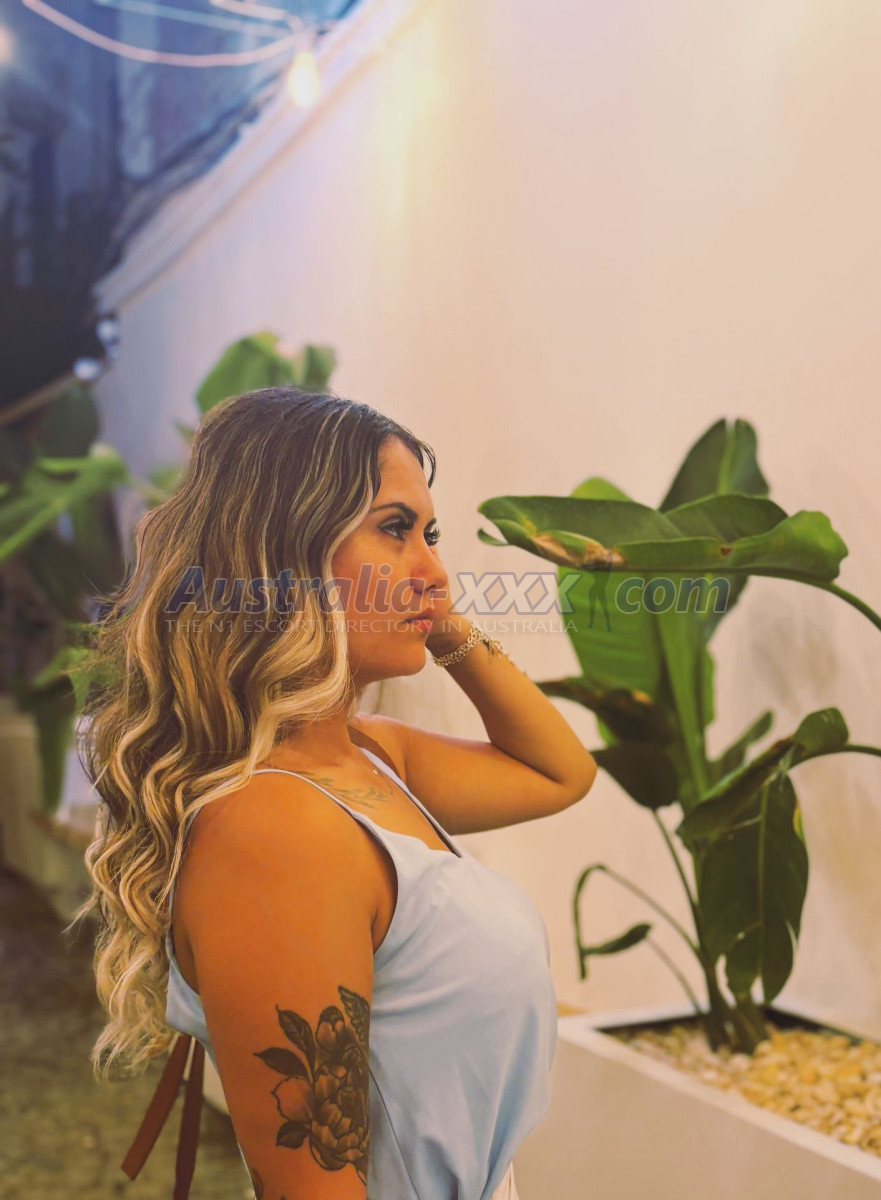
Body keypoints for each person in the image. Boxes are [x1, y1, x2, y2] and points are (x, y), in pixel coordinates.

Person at [75, 386, 598, 1200]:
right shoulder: (273, 826)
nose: (432, 568)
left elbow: (558, 772)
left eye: (430, 535)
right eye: (393, 529)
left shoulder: (369, 757)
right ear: (282, 555)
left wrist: (437, 616)